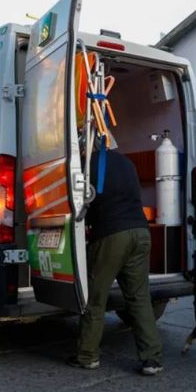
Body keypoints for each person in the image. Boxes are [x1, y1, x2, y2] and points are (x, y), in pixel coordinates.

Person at [67, 145, 164, 376]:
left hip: (112, 235)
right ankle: (152, 359)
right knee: (140, 299)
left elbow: (82, 201)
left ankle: (87, 356)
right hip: (140, 231)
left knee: (95, 299)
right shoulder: (126, 163)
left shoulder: (86, 164)